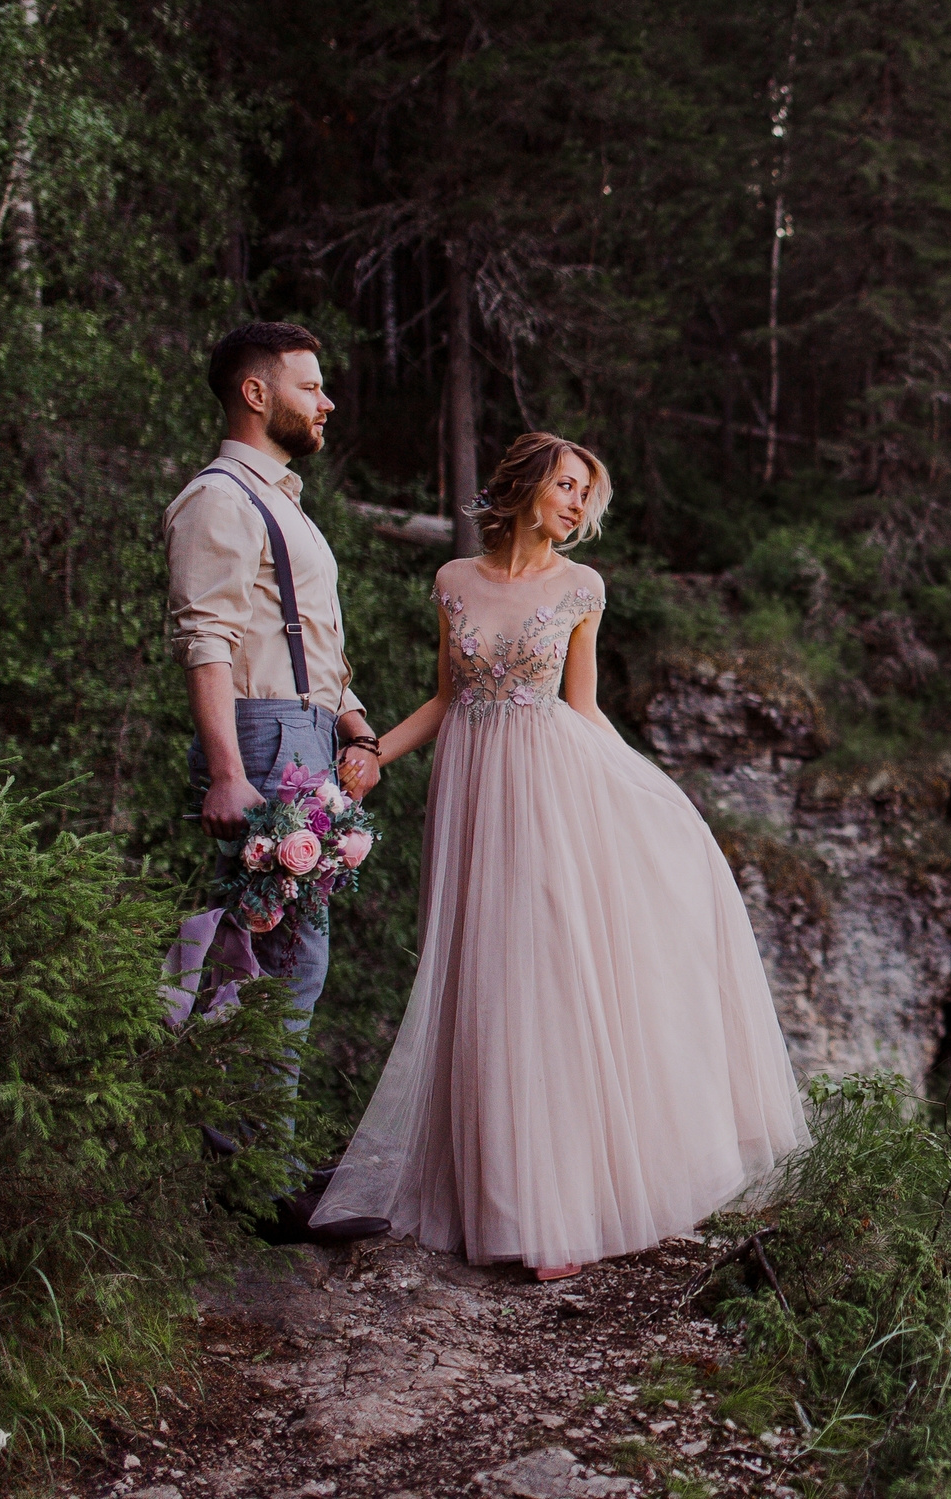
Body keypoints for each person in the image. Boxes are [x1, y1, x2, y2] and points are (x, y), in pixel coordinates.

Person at [313, 433, 806, 1278]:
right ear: (529, 484)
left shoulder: (582, 588)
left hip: (551, 795)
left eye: (588, 495)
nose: (578, 505)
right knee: (483, 981)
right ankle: (490, 1200)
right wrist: (373, 757)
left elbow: (583, 707)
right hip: (470, 797)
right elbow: (445, 696)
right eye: (569, 486)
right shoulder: (453, 581)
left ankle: (559, 1211)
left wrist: (651, 790)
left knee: (544, 976)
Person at [164, 322, 390, 1240]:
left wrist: (355, 725)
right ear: (257, 395)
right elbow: (207, 640)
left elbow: (313, 645)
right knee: (268, 961)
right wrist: (227, 771)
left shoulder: (285, 502)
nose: (327, 399)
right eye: (311, 384)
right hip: (256, 739)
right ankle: (258, 1182)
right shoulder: (218, 499)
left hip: (301, 731)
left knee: (286, 957)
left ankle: (268, 1158)